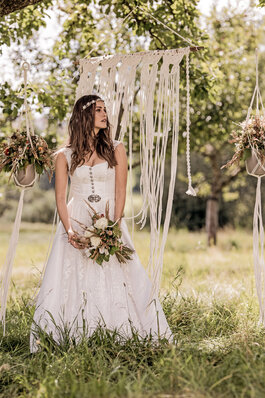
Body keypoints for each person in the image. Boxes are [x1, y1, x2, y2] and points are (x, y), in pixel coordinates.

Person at [30, 94, 172, 352]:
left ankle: (118, 330)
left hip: (110, 219)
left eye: (105, 109)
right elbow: (60, 198)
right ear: (84, 116)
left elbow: (121, 192)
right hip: (76, 219)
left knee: (119, 273)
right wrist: (69, 230)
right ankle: (68, 334)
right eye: (98, 110)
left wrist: (113, 227)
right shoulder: (64, 155)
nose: (105, 114)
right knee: (71, 275)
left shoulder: (116, 148)